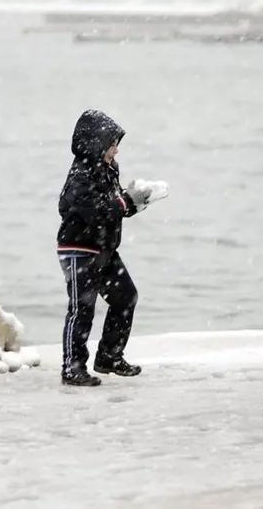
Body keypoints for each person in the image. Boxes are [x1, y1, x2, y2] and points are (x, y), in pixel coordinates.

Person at [56, 109, 156, 387]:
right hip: (79, 249)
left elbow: (114, 210)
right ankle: (72, 368)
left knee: (126, 298)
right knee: (82, 308)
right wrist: (124, 202)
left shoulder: (108, 169)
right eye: (112, 144)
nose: (115, 151)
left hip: (105, 249)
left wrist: (136, 200)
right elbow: (89, 211)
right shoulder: (80, 175)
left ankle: (109, 357)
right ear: (95, 143)